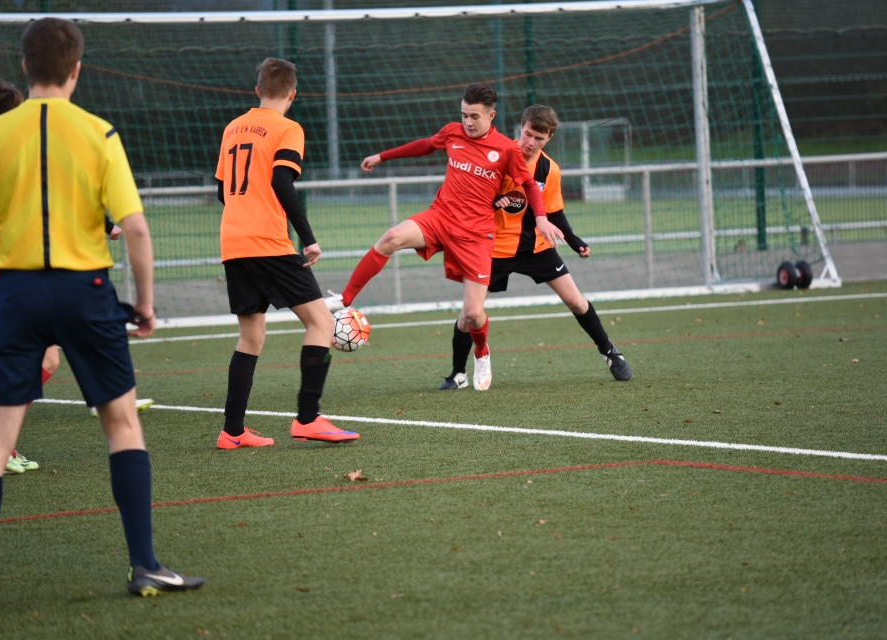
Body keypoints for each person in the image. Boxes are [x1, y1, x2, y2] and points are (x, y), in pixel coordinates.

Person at [0, 18, 204, 615]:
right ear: (77, 70)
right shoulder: (100, 133)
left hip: (14, 293)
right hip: (87, 291)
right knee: (122, 425)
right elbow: (136, 229)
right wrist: (145, 304)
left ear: (26, 66)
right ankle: (145, 566)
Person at [326, 84, 564, 391]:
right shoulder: (453, 132)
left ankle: (482, 352)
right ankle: (344, 299)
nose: (468, 122)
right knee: (391, 237)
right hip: (441, 217)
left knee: (473, 314)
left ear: (491, 116)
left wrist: (541, 218)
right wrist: (382, 157)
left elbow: (529, 185)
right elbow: (426, 145)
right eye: (464, 115)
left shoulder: (507, 149)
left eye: (475, 116)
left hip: (476, 235)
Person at [0, 81, 153, 472]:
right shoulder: (22, 148)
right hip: (16, 277)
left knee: (43, 358)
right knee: (49, 362)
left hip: (3, 281)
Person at [214, 57, 359, 448]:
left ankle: (232, 431)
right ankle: (309, 419)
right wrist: (308, 237)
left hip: (234, 242)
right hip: (268, 243)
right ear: (293, 94)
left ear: (257, 90)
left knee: (251, 336)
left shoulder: (232, 127)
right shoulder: (288, 128)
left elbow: (222, 190)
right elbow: (281, 180)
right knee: (321, 323)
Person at [437, 105, 632, 389]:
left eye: (539, 138)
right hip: (491, 249)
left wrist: (574, 240)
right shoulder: (496, 155)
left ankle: (611, 353)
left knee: (577, 301)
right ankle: (458, 373)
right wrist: (492, 202)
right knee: (469, 315)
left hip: (535, 247)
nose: (530, 142)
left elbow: (554, 212)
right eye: (528, 134)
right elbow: (469, 198)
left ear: (549, 138)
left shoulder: (549, 169)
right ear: (521, 127)